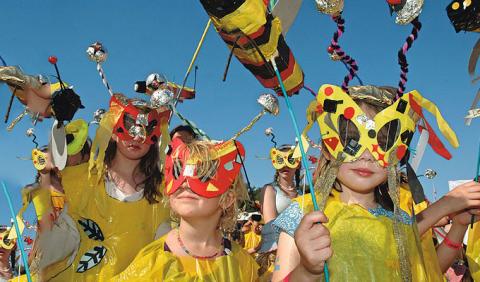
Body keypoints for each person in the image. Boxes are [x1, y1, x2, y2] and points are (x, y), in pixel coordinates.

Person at [271, 84, 479, 281]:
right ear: (326, 147)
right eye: (350, 138)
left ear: (399, 154)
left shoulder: (399, 224)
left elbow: (429, 269)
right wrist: (307, 272)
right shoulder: (304, 214)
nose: (367, 155)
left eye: (383, 142)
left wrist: (458, 223)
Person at [40, 94, 171, 281]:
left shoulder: (163, 192)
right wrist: (58, 123)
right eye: (129, 124)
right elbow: (59, 158)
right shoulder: (85, 178)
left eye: (147, 129)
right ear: (114, 128)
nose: (136, 136)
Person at [113, 138, 259, 281]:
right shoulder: (150, 262)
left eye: (203, 176)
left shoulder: (243, 264)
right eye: (178, 172)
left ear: (228, 199)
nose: (185, 184)